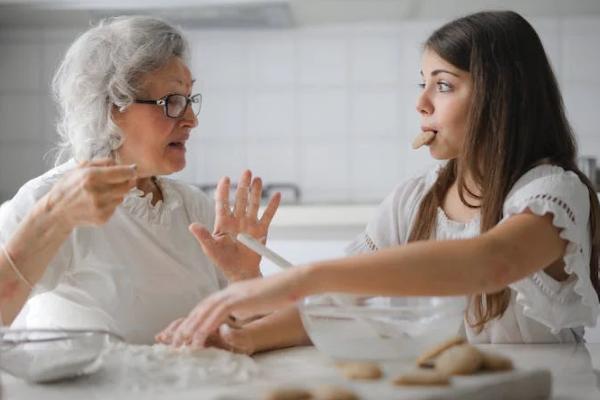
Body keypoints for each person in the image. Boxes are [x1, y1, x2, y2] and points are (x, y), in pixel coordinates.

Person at [159, 10, 600, 349]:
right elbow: (342, 303)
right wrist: (246, 328)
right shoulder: (415, 198)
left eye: (443, 85)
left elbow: (493, 263)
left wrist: (307, 277)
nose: (421, 103)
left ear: (502, 97)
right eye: (423, 83)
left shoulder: (554, 193)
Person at [0, 16, 280, 344]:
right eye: (172, 102)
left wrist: (244, 277)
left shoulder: (194, 209)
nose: (192, 119)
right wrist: (52, 220)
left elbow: (245, 335)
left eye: (189, 100)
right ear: (110, 107)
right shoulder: (47, 200)